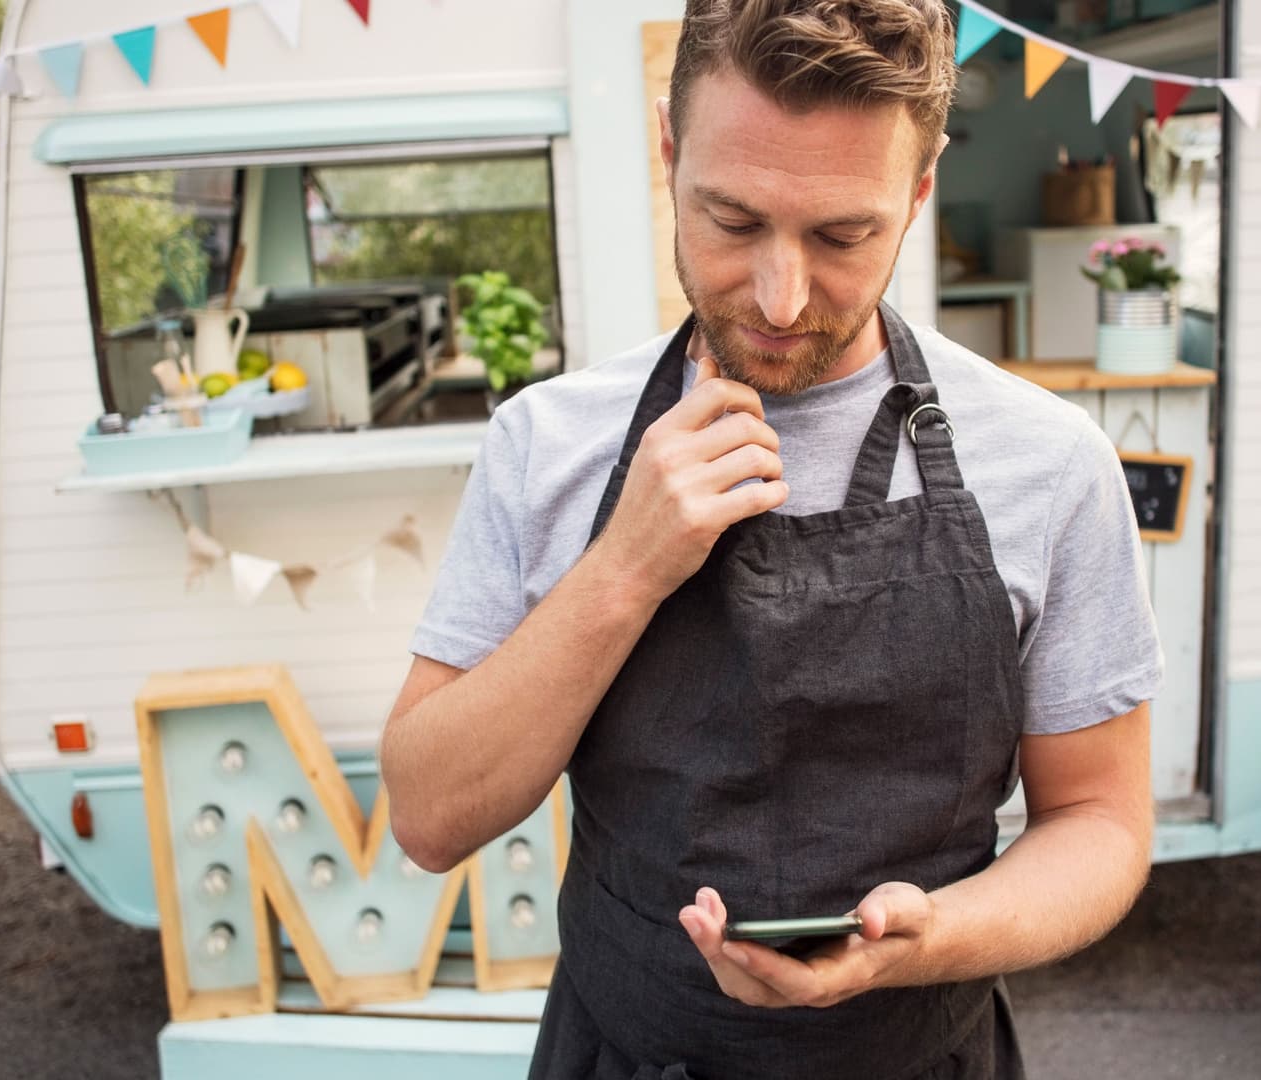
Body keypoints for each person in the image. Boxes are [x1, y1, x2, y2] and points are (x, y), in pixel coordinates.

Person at [380, 1, 1163, 1075]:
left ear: (920, 186)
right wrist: (625, 568)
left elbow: (1102, 821)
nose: (781, 299)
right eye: (733, 221)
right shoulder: (546, 444)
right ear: (669, 147)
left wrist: (934, 937)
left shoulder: (1050, 462)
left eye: (843, 236)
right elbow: (429, 818)